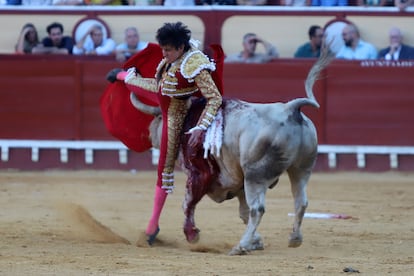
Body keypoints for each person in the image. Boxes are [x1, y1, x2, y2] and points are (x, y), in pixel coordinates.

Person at [107, 22, 222, 245]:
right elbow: (157, 86)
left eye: (168, 50)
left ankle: (152, 225)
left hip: (176, 115)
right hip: (166, 105)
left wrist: (201, 126)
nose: (164, 53)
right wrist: (123, 77)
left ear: (180, 48)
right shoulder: (169, 60)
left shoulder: (194, 63)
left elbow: (214, 97)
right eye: (163, 49)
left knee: (164, 167)